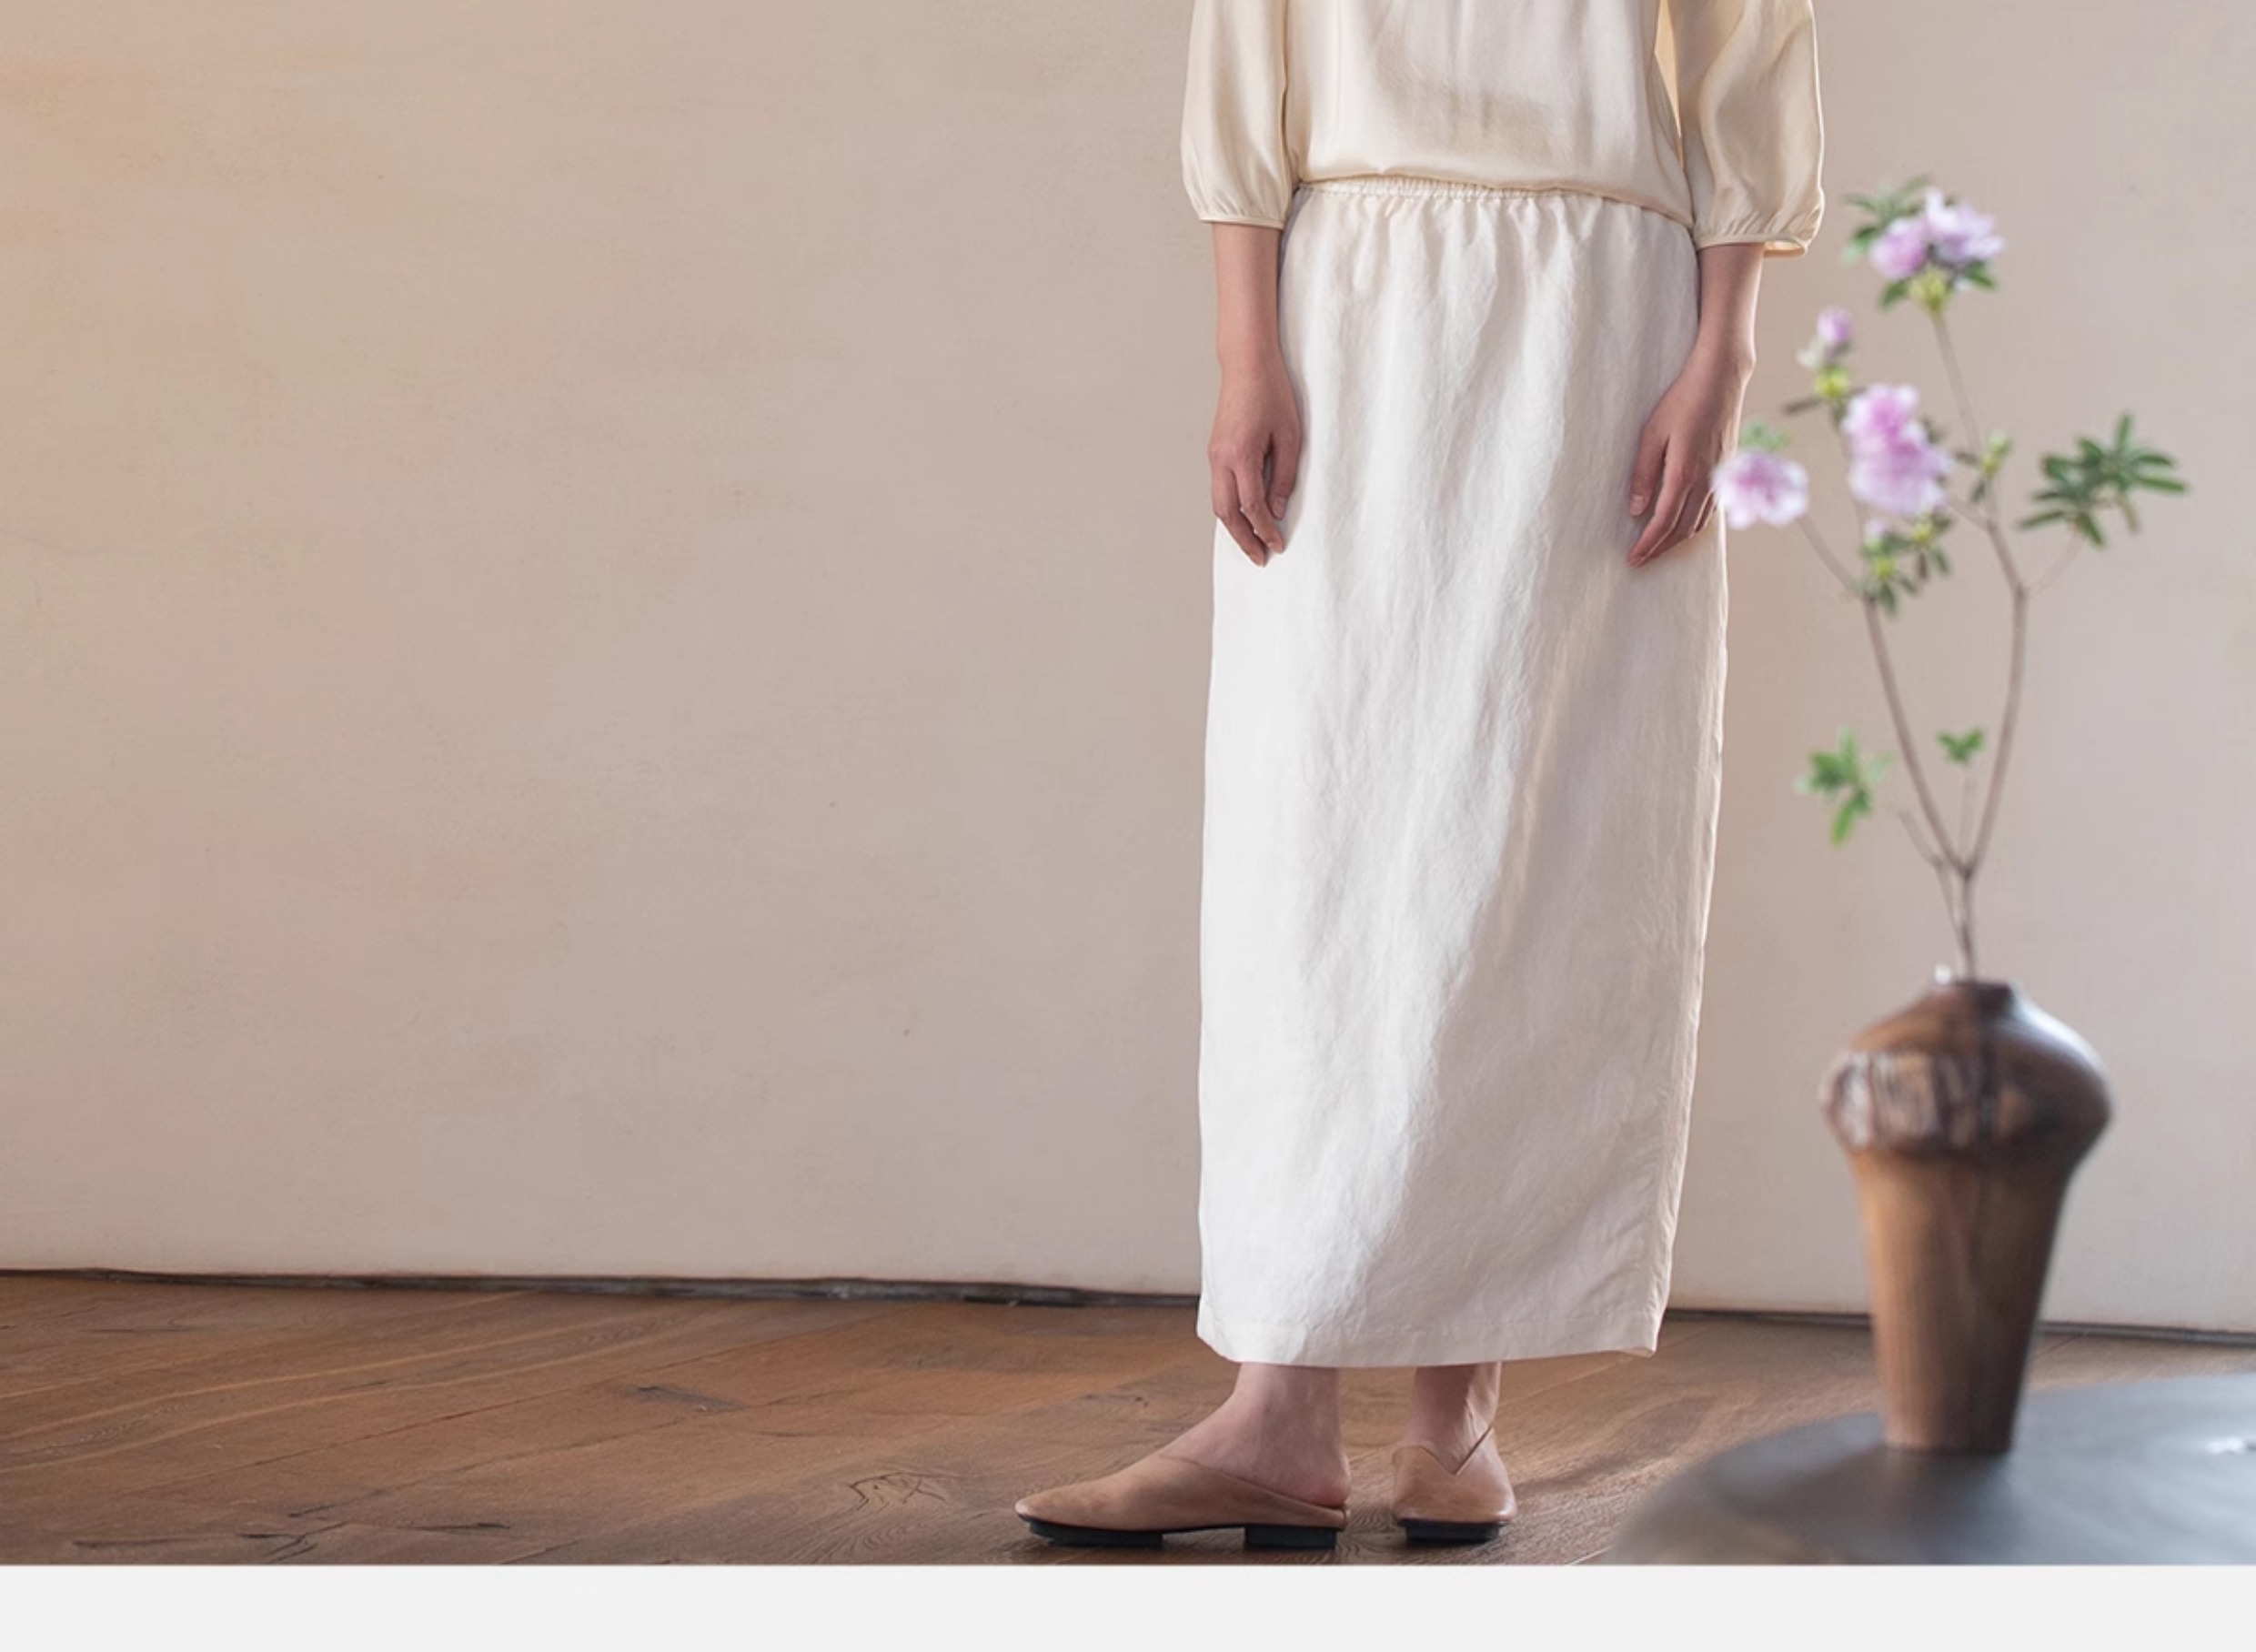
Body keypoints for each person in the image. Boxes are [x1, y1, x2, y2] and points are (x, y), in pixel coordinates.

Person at [1018, 0, 1823, 1551]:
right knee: (1313, 841)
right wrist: (1246, 352)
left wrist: (1722, 355)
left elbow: (1750, 55)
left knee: (1537, 839)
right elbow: (1246, 60)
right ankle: (1279, 1411)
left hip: (1602, 316)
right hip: (1355, 306)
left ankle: (1458, 1411)